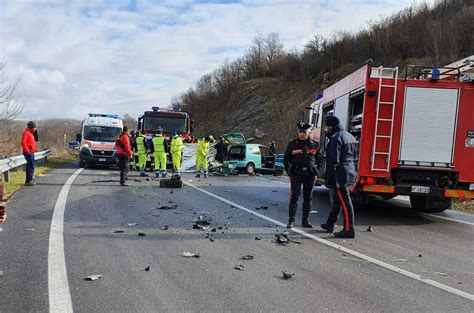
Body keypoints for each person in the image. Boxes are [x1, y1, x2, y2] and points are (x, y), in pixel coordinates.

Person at [321, 115, 357, 238]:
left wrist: (328, 176)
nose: (326, 129)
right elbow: (353, 155)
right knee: (338, 200)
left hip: (339, 173)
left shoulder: (336, 138)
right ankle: (330, 223)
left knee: (345, 201)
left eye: (327, 127)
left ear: (331, 127)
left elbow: (333, 160)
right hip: (349, 170)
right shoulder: (349, 136)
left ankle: (349, 229)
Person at [283, 122, 319, 228]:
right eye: (300, 132)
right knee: (294, 196)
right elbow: (286, 159)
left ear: (309, 132)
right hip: (296, 174)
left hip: (310, 174)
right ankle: (291, 221)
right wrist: (289, 171)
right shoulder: (292, 144)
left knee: (308, 198)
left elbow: (320, 159)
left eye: (304, 132)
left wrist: (316, 171)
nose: (302, 134)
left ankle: (305, 221)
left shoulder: (315, 144)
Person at [21, 121, 38, 186]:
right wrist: (27, 151)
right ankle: (28, 181)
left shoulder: (31, 133)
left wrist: (34, 149)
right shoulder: (26, 133)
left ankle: (28, 180)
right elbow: (23, 143)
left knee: (31, 166)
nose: (35, 129)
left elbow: (31, 143)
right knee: (31, 166)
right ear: (31, 127)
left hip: (31, 152)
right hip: (28, 152)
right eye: (34, 127)